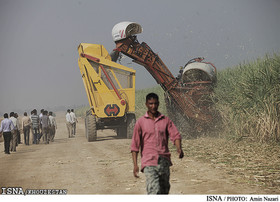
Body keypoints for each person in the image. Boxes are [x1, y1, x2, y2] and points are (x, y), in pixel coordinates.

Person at [131, 93, 184, 194]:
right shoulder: (140, 122)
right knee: (154, 190)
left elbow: (175, 135)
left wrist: (179, 148)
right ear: (146, 104)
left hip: (164, 160)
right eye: (151, 104)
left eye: (155, 103)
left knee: (164, 191)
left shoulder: (165, 120)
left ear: (158, 103)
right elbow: (135, 145)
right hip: (149, 162)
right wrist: (135, 165)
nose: (153, 106)